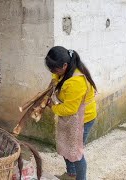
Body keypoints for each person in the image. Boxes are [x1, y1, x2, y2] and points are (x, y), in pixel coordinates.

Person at [45, 46, 97, 180]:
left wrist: (52, 107)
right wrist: (54, 80)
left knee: (76, 154)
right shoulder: (64, 70)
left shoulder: (76, 82)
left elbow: (70, 109)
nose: (53, 72)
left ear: (65, 65)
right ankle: (71, 174)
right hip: (70, 117)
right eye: (50, 69)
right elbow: (55, 75)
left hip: (82, 119)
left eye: (54, 69)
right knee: (65, 146)